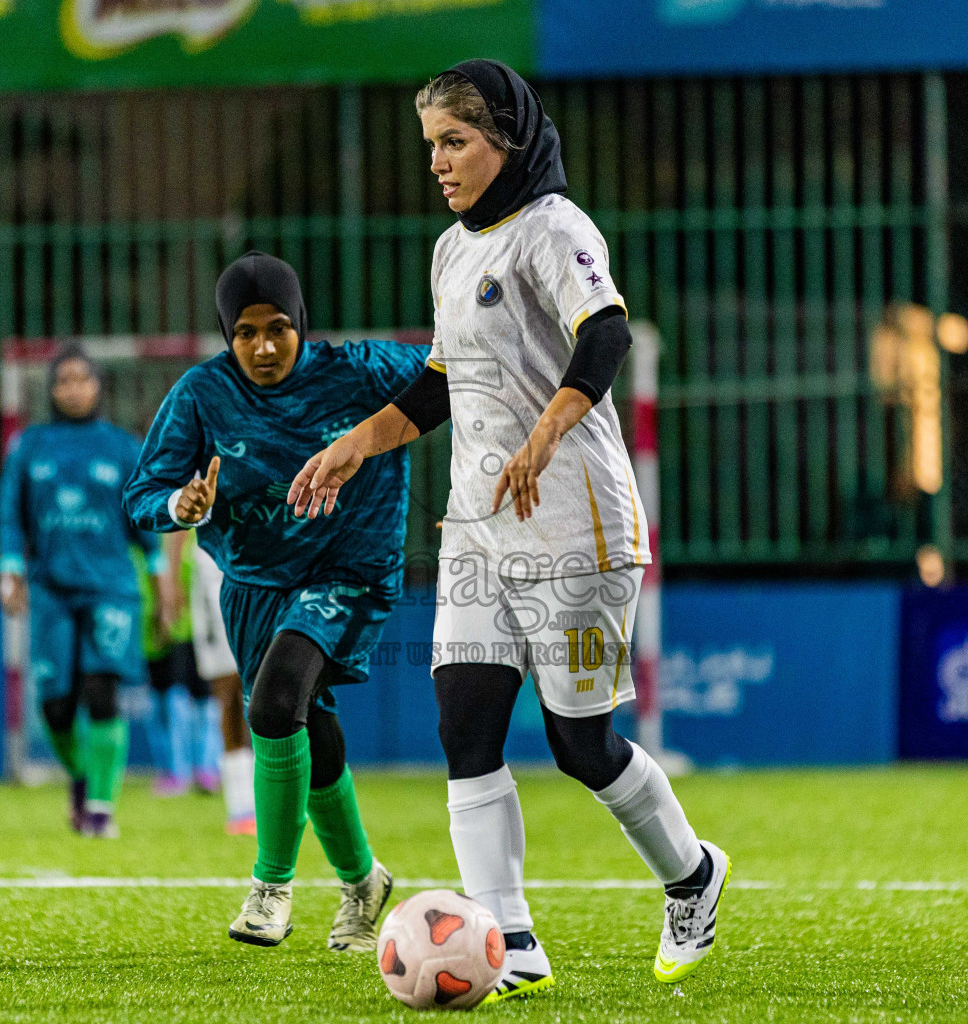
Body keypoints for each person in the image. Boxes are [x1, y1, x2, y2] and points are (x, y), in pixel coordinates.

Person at [288, 59, 729, 998]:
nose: (438, 162)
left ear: (507, 137)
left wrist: (546, 430)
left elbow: (606, 334)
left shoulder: (555, 227)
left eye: (455, 141)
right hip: (480, 532)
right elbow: (441, 383)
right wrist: (355, 443)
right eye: (431, 145)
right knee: (465, 722)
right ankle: (508, 939)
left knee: (580, 745)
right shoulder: (451, 251)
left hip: (574, 525)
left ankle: (693, 875)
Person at [122, 250, 426, 951]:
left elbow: (455, 374)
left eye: (278, 328)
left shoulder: (362, 369)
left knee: (274, 702)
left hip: (349, 569)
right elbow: (141, 495)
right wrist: (179, 502)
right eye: (246, 332)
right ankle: (362, 881)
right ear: (227, 335)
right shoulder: (200, 395)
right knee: (308, 723)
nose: (263, 347)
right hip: (254, 586)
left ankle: (270, 887)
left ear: (302, 325)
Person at [0, 344, 160, 839]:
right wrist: (10, 568)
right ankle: (82, 776)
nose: (73, 389)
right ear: (50, 389)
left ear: (98, 386)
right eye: (63, 380)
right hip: (51, 589)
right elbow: (10, 513)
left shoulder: (122, 447)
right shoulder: (30, 445)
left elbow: (146, 524)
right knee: (55, 707)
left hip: (111, 589)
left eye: (82, 379)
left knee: (101, 691)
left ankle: (101, 809)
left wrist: (161, 584)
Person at [138, 531, 224, 799]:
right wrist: (166, 601)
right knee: (172, 693)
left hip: (204, 622)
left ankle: (206, 768)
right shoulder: (160, 530)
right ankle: (177, 770)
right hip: (174, 624)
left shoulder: (206, 534)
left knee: (205, 693)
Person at [188, 529, 257, 835]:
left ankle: (261, 801)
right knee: (229, 699)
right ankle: (240, 804)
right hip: (212, 577)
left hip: (256, 573)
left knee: (261, 699)